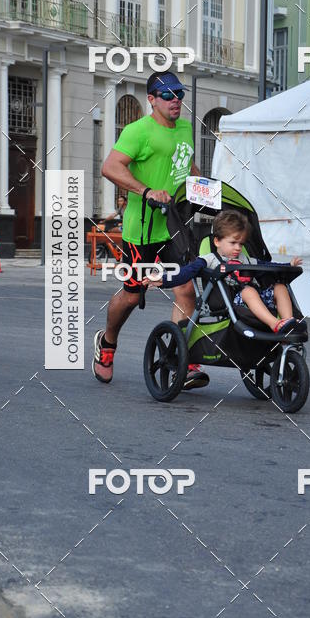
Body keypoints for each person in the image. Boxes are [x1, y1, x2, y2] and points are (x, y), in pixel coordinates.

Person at [92, 70, 210, 389]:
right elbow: (110, 167)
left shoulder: (185, 128)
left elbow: (186, 165)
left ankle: (180, 361)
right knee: (132, 296)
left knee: (186, 290)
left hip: (173, 228)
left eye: (179, 94)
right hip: (141, 231)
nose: (176, 101)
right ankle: (107, 344)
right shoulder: (137, 131)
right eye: (168, 95)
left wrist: (206, 190)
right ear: (152, 99)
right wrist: (146, 191)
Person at [146, 209, 306, 333]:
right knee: (248, 290)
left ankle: (288, 322)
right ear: (217, 241)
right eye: (233, 243)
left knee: (280, 287)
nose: (238, 248)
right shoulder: (209, 259)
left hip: (257, 300)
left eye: (241, 244)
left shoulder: (245, 259)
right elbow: (186, 272)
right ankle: (275, 324)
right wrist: (164, 279)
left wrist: (288, 265)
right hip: (230, 301)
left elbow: (267, 266)